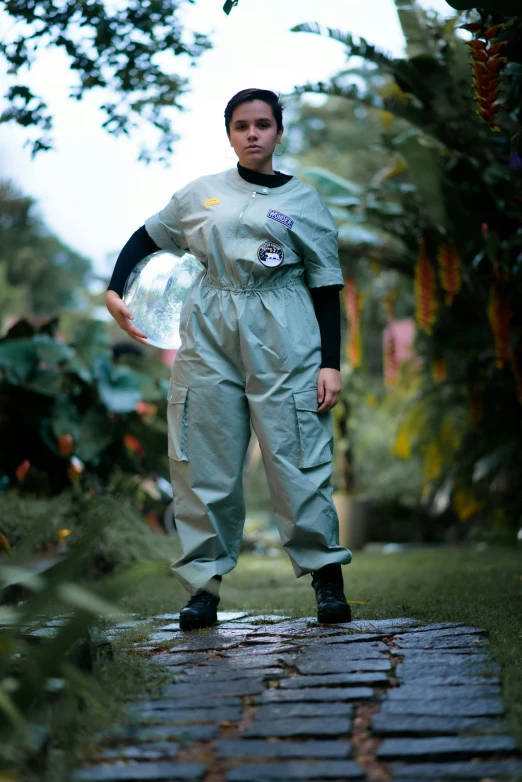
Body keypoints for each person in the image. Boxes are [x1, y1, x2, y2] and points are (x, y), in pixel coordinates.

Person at [106, 88, 353, 631]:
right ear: (229, 134)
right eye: (241, 125)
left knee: (296, 451)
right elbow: (145, 238)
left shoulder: (304, 201)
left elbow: (326, 285)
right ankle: (202, 589)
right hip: (210, 327)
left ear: (279, 133)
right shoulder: (199, 195)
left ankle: (327, 581)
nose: (253, 134)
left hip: (285, 327)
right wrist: (114, 290)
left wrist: (329, 363)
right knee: (203, 452)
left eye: (263, 124)